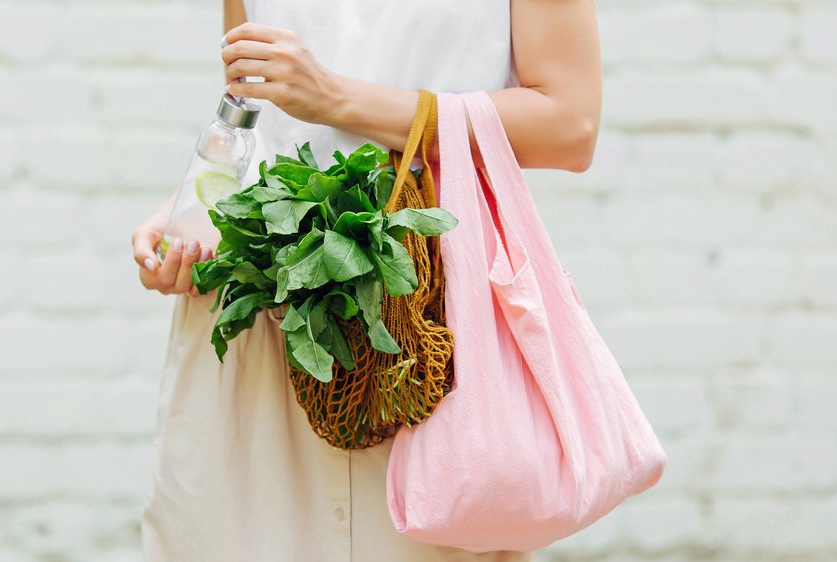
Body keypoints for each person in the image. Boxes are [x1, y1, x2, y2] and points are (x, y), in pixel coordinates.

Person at [131, 0, 601, 559]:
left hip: (421, 326)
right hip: (264, 307)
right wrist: (194, 203)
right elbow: (255, 111)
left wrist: (335, 98)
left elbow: (569, 125)